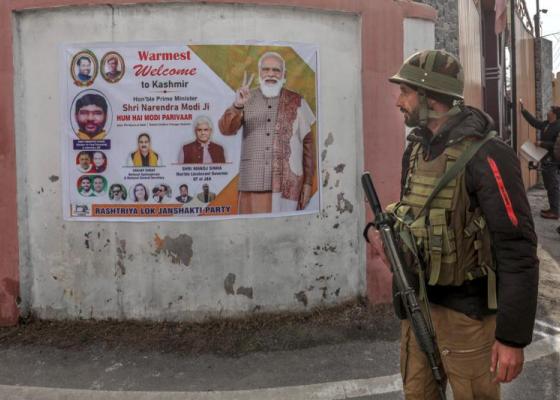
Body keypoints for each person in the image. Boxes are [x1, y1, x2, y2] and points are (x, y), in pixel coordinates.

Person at [365, 49, 539, 399]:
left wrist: (512, 338)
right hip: (419, 308)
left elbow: (517, 247)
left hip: (469, 319)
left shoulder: (488, 154)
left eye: (405, 92)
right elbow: (415, 216)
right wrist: (383, 236)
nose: (399, 101)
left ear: (430, 97)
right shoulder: (417, 150)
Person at [219, 51, 316, 213]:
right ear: (259, 72)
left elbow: (308, 145)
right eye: (266, 69)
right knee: (250, 228)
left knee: (284, 229)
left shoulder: (297, 101)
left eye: (276, 70)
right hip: (252, 185)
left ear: (284, 74)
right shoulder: (246, 98)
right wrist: (237, 105)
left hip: (287, 187)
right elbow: (226, 130)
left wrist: (307, 183)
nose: (271, 74)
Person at [520, 102, 560, 219]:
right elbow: (534, 122)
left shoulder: (558, 126)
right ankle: (553, 208)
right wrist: (523, 110)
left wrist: (542, 143)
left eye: (550, 110)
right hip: (544, 159)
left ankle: (555, 212)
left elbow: (557, 145)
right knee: (549, 185)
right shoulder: (546, 124)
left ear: (554, 114)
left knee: (553, 186)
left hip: (552, 160)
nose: (548, 112)